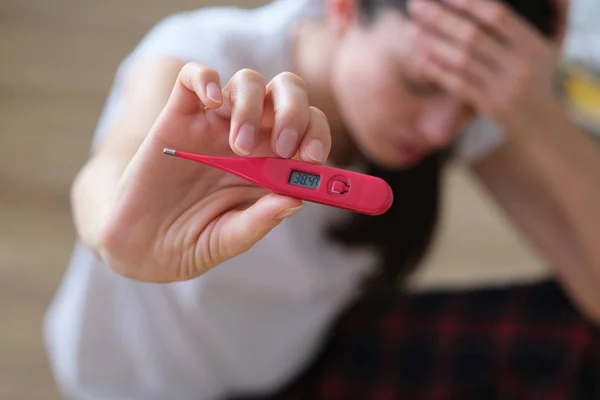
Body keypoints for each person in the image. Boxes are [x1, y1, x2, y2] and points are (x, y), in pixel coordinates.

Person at [44, 0, 600, 398]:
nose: (439, 130)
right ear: (343, 8)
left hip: (302, 360)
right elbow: (108, 171)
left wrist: (536, 115)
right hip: (140, 384)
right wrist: (118, 233)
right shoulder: (210, 57)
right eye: (417, 84)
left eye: (472, 107)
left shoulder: (460, 101)